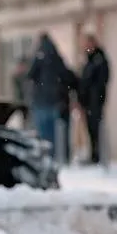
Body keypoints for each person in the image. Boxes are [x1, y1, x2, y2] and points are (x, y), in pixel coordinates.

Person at [25, 32, 77, 161]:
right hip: (54, 102)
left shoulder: (39, 56)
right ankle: (55, 156)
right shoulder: (56, 57)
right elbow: (67, 76)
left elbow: (30, 75)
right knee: (55, 134)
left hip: (41, 101)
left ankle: (45, 157)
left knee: (43, 134)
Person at [77, 33, 111, 164]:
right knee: (90, 129)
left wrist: (95, 95)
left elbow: (100, 80)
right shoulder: (89, 60)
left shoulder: (99, 59)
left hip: (95, 100)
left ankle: (98, 155)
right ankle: (94, 154)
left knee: (96, 128)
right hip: (88, 101)